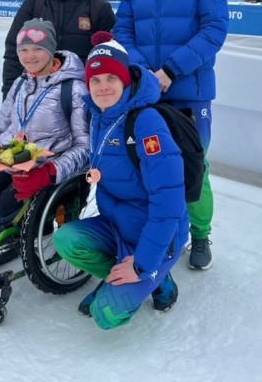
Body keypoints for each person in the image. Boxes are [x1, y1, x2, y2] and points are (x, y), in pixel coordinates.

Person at [113, 0, 228, 270]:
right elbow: (123, 30)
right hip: (146, 93)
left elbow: (214, 30)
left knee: (194, 167)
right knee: (149, 167)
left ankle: (200, 235)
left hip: (189, 95)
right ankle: (158, 234)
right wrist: (146, 73)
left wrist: (170, 72)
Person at [53, 36, 188, 330]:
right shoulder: (98, 115)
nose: (103, 86)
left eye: (112, 78)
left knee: (107, 315)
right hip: (118, 226)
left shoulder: (146, 122)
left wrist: (141, 265)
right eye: (96, 79)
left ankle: (156, 276)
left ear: (126, 80)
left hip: (157, 234)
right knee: (66, 240)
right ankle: (117, 276)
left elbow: (169, 202)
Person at [0, 18, 90, 213]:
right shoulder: (20, 83)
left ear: (51, 51)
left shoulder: (73, 89)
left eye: (38, 49)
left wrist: (49, 172)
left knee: (6, 206)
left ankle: (36, 237)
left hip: (47, 167)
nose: (30, 56)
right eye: (23, 50)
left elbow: (85, 146)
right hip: (13, 161)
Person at [1, 0, 116, 100]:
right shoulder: (34, 4)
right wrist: (10, 98)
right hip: (36, 100)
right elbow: (14, 52)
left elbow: (110, 59)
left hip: (81, 100)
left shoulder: (99, 8)